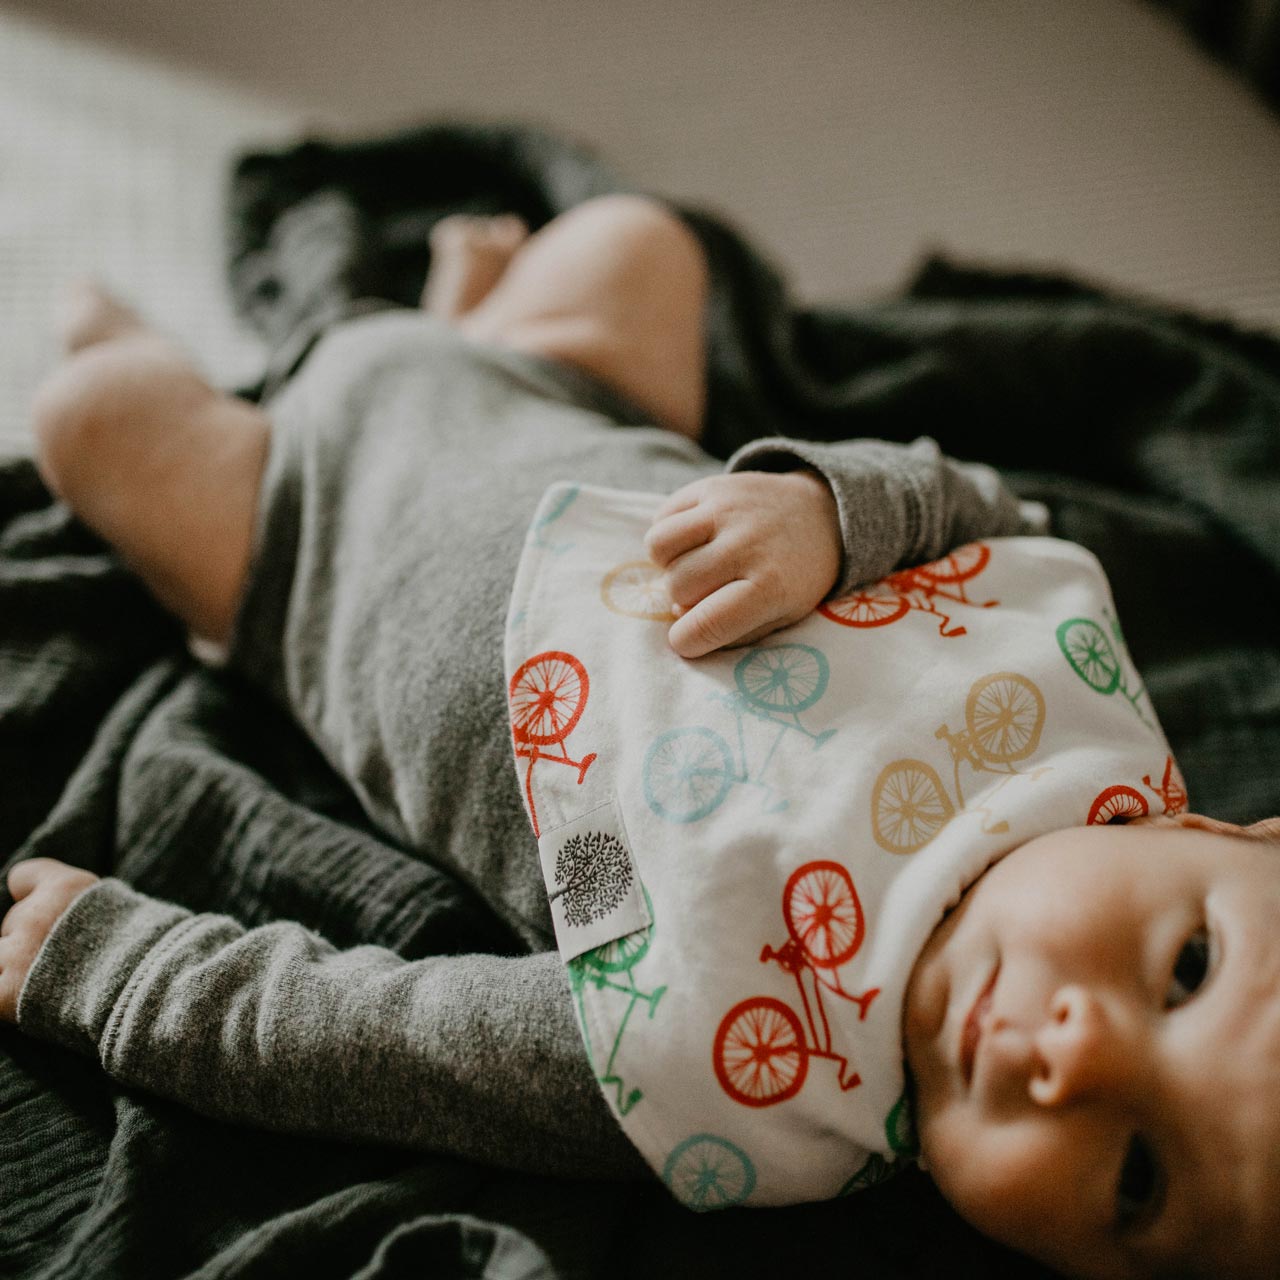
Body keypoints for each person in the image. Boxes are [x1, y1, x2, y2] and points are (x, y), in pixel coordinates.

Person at [2, 194, 1278, 1280]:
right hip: (580, 417)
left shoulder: (744, 1079)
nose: (1076, 1055)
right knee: (638, 241)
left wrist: (125, 972)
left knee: (93, 413)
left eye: (1135, 1180)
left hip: (311, 552)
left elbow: (391, 1038)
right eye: (1185, 968)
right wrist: (820, 507)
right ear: (1235, 830)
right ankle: (463, 330)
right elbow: (978, 505)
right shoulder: (1084, 699)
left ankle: (190, 342)